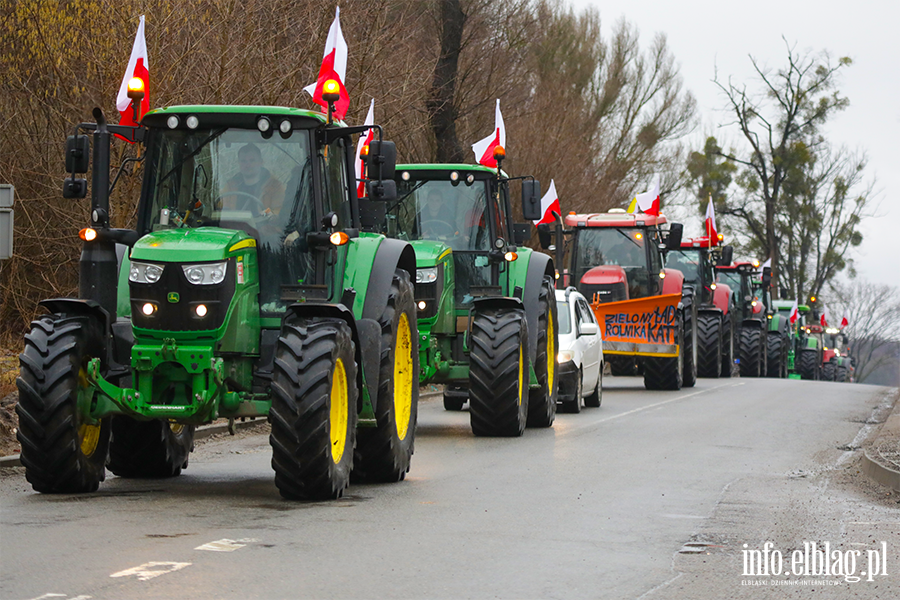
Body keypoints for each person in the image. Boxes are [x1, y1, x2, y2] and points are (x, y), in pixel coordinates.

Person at [220, 143, 285, 215]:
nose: (247, 165)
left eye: (252, 160)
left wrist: (271, 214)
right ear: (238, 162)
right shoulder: (230, 186)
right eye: (243, 161)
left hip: (264, 226)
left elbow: (282, 212)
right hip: (233, 226)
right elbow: (222, 211)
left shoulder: (275, 187)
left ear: (261, 162)